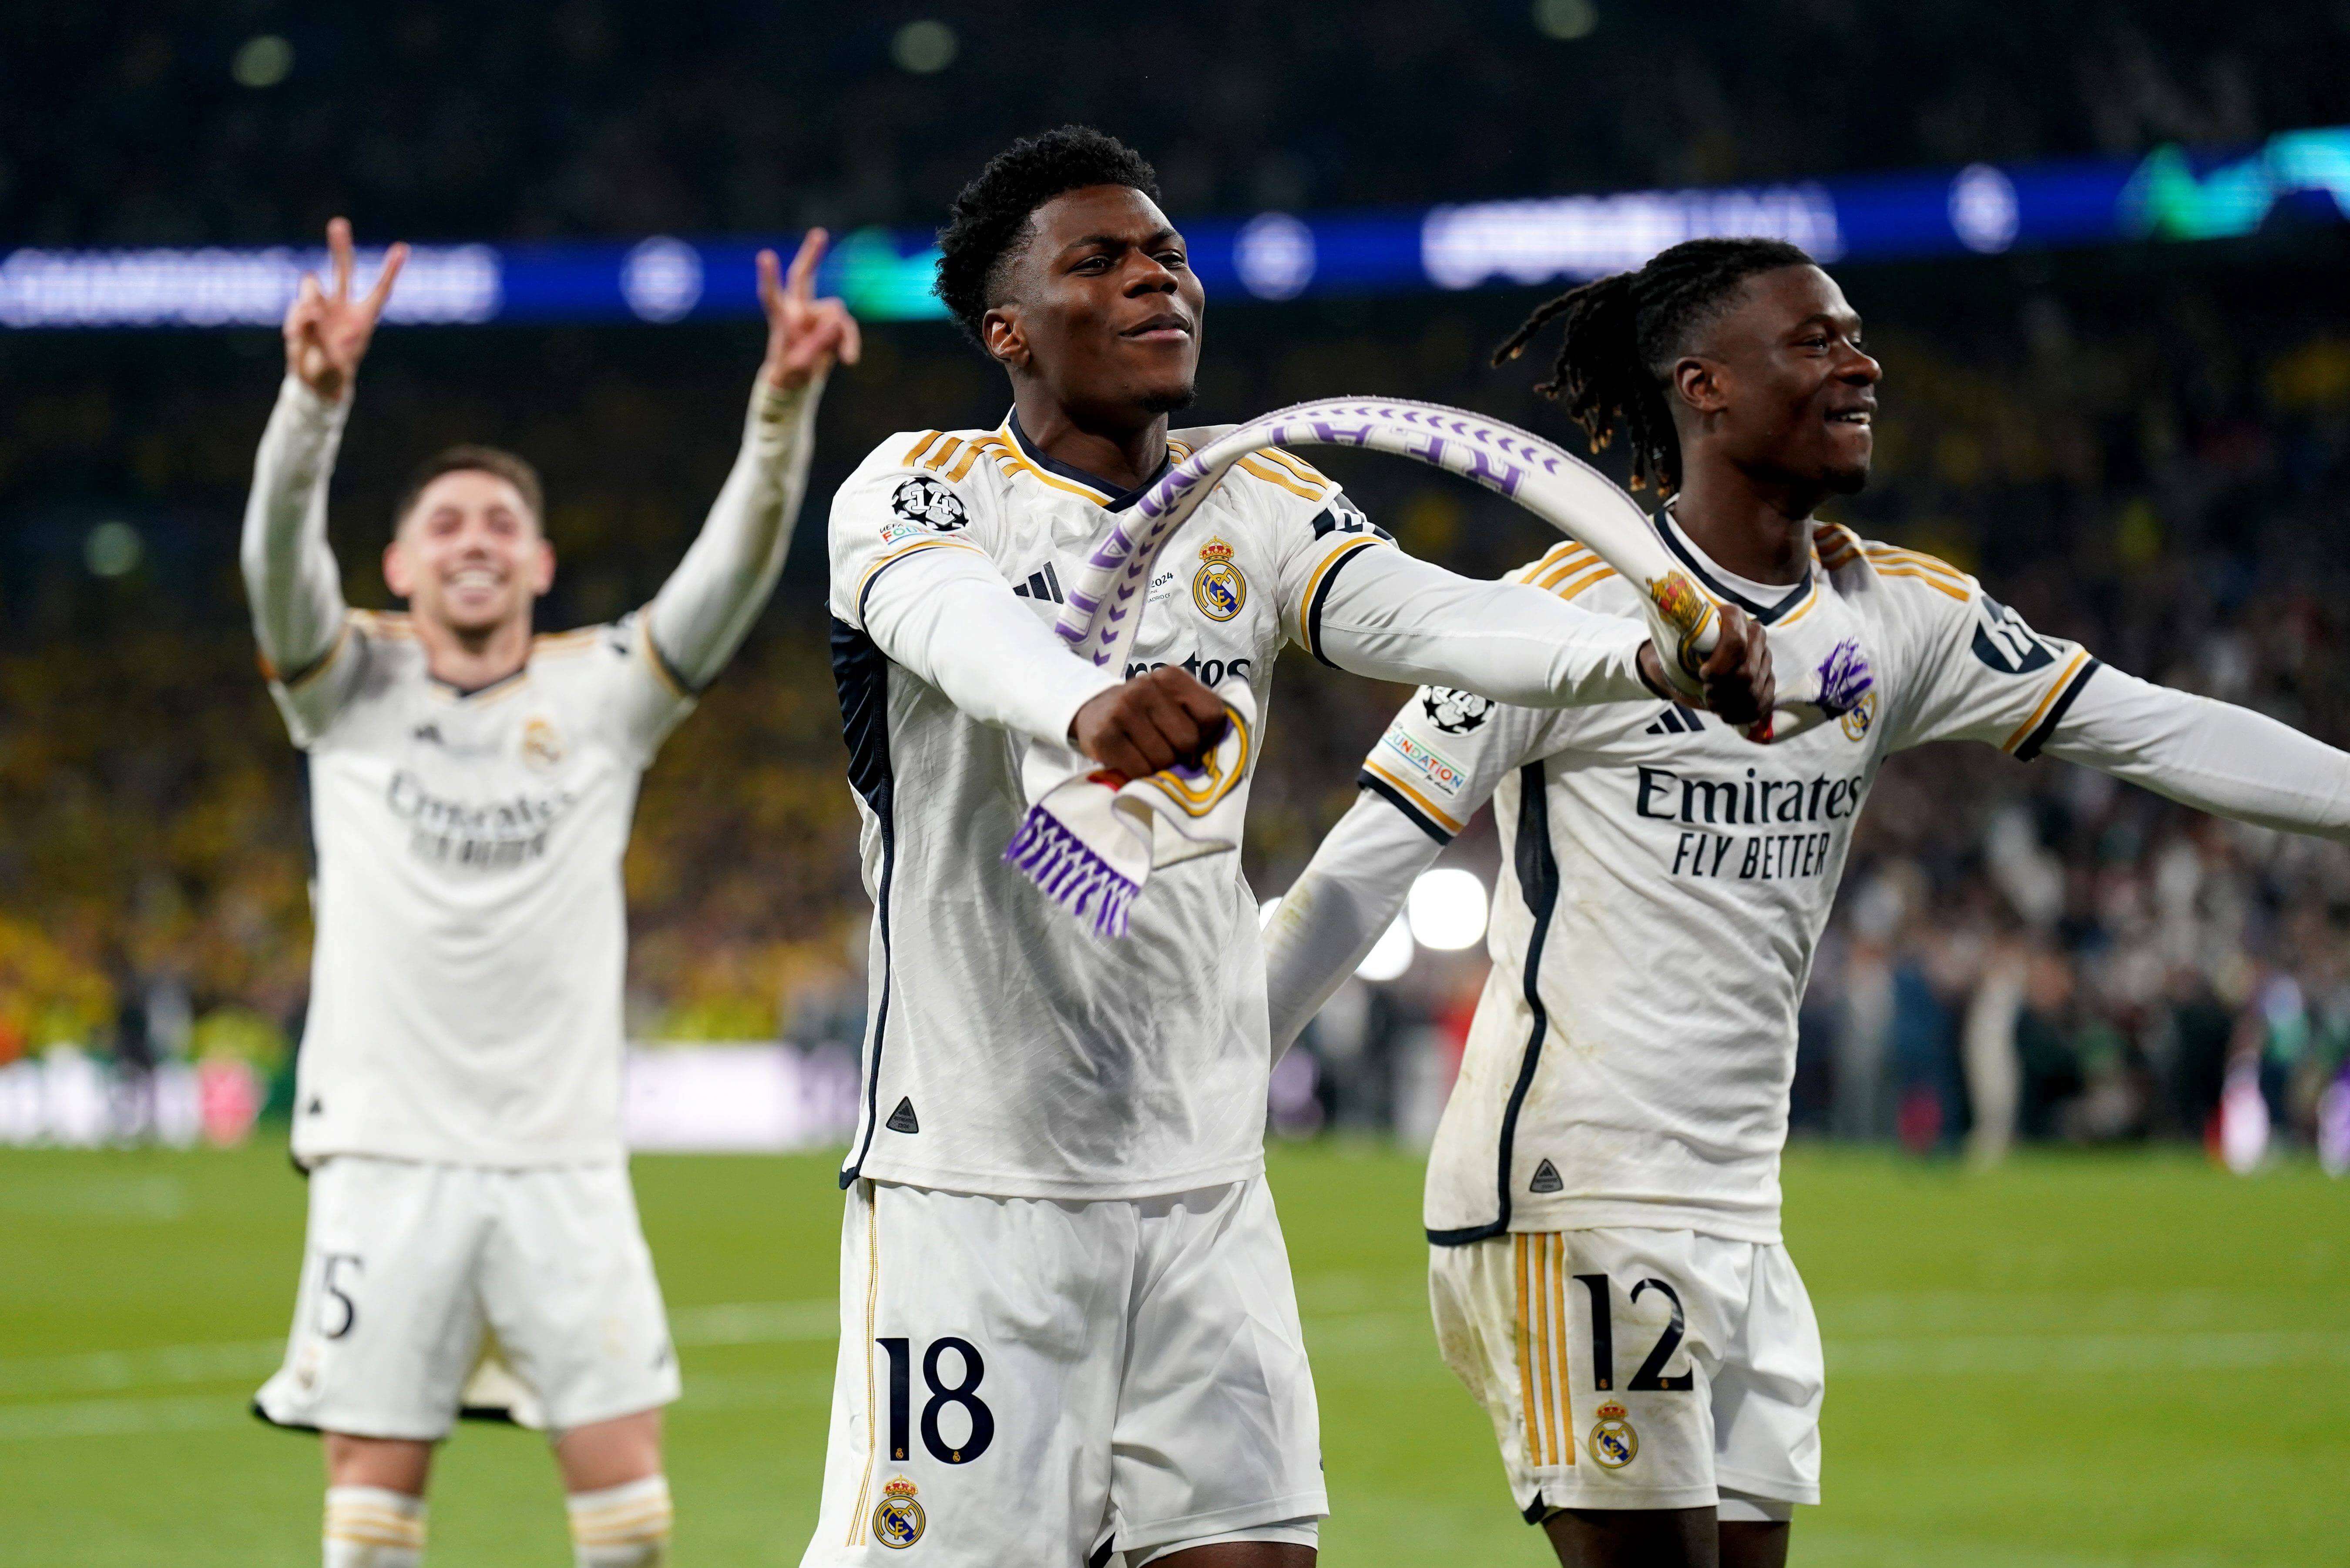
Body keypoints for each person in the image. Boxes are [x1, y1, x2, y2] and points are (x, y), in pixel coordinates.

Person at [1260, 236, 2350, 1568]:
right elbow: (1363, 866)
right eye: (1817, 340)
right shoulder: (1557, 617)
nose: (1863, 363)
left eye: (1857, 335)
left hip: (1740, 1207)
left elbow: (2153, 725)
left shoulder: (1899, 613)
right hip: (1572, 1191)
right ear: (1705, 386)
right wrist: (1219, 1069)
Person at [804, 129, 1770, 1568]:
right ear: (1008, 329)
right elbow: (955, 620)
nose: (1156, 280)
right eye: (1101, 262)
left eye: (1168, 254)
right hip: (977, 1186)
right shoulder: (917, 486)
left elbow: (1435, 614)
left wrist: (1639, 652)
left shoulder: (1256, 496)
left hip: (1206, 1184)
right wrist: (1086, 705)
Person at [244, 217, 858, 1568]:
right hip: (386, 1153)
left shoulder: (602, 693)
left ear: (539, 564)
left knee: (629, 1510)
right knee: (371, 1508)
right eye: (446, 522)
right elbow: (275, 564)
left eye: (501, 524)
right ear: (398, 565)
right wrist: (312, 406)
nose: (474, 539)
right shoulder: (343, 687)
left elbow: (731, 576)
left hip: (563, 1156)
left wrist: (780, 408)